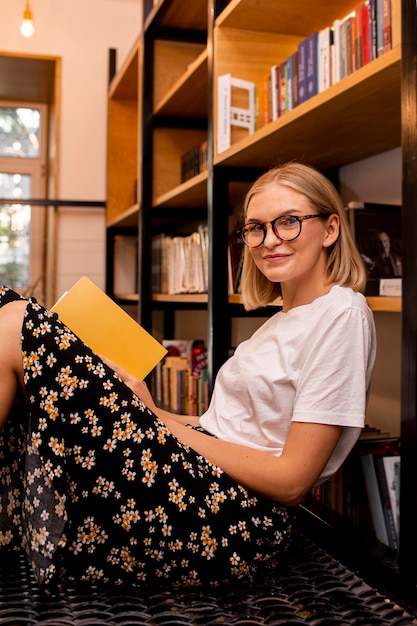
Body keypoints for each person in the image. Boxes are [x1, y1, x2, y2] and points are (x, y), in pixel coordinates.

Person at [0, 161, 376, 593]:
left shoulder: (342, 314)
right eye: (256, 228)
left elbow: (291, 481)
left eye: (288, 222)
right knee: (6, 304)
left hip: (235, 516)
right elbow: (224, 430)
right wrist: (149, 408)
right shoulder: (281, 321)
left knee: (18, 321)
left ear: (330, 229)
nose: (270, 239)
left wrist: (155, 426)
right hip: (200, 478)